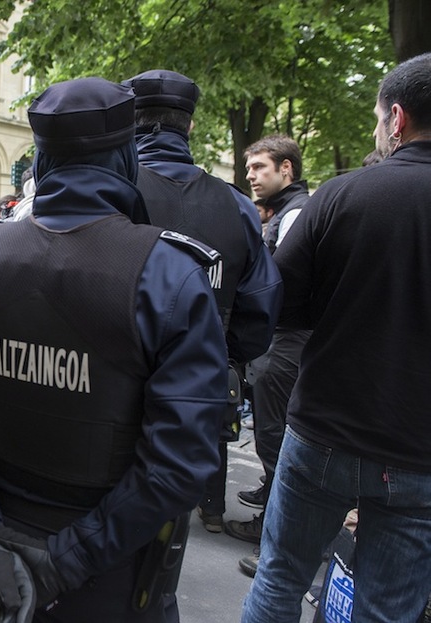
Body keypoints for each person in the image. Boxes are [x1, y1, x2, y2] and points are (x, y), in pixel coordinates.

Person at [0, 77, 227, 623]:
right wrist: (61, 562)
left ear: (41, 158)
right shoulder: (170, 279)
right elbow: (179, 464)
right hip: (109, 573)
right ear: (127, 157)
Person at [242, 52, 431, 623]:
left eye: (378, 120)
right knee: (388, 611)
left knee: (279, 580)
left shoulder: (343, 196)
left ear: (396, 120)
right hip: (420, 451)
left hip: (325, 428)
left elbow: (281, 303)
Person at [125, 69, 283, 536]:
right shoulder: (235, 205)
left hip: (119, 378)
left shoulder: (113, 190)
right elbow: (261, 305)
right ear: (190, 126)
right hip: (203, 384)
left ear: (131, 121)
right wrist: (223, 352)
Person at [227, 135, 311, 552]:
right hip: (281, 339)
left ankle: (273, 530)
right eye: (249, 168)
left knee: (275, 434)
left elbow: (282, 282)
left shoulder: (296, 214)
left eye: (259, 167)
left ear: (286, 169)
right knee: (269, 429)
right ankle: (270, 497)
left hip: (285, 341)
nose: (251, 175)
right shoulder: (287, 211)